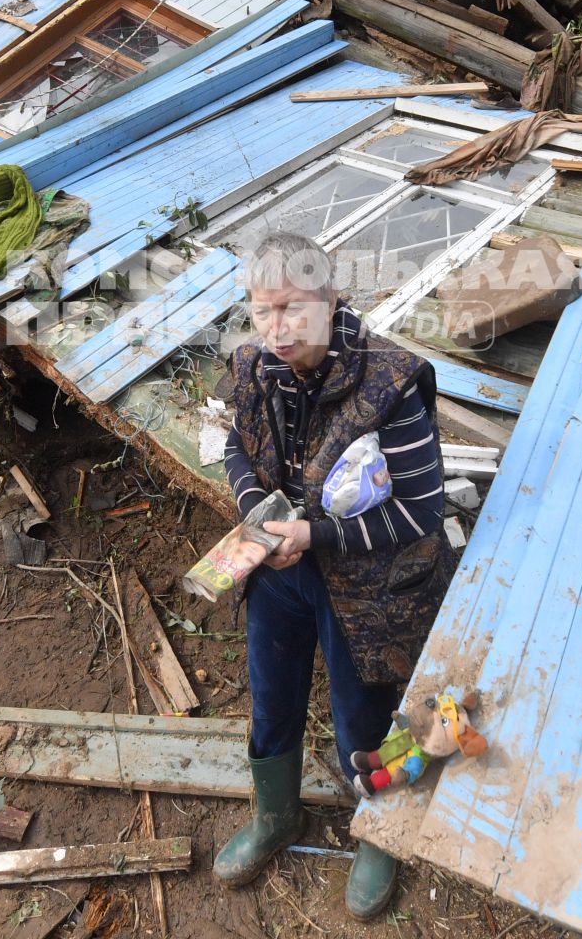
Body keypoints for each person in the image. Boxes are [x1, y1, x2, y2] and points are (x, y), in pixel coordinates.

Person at [215, 232, 455, 919]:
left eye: (291, 308)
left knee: (364, 717)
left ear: (331, 299)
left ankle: (380, 833)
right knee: (273, 697)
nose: (276, 328)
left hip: (365, 580)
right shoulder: (257, 366)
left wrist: (316, 536)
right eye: (262, 311)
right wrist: (253, 510)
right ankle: (276, 817)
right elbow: (237, 445)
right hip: (279, 565)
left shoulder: (391, 382)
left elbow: (421, 511)